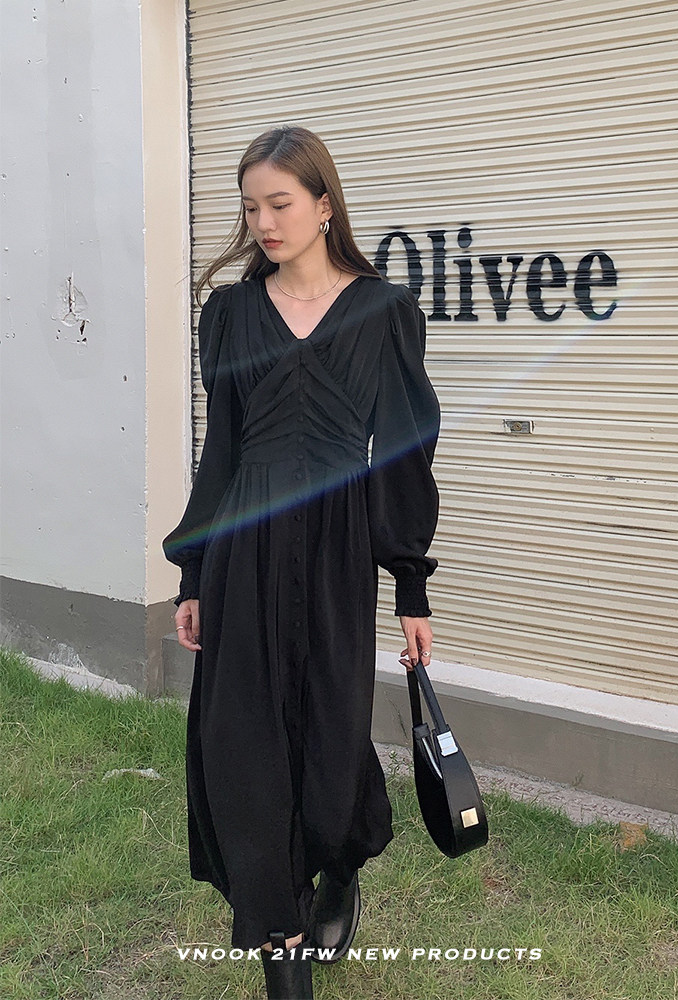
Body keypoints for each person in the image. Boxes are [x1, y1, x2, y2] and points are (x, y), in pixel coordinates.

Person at [162, 124, 441, 1000]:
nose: (263, 223)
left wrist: (410, 586)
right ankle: (282, 950)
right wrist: (193, 573)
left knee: (329, 738)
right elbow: (221, 452)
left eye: (279, 204)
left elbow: (403, 455)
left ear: (324, 205)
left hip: (335, 552)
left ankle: (341, 860)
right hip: (242, 549)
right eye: (250, 208)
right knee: (241, 748)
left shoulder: (383, 312)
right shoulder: (230, 314)